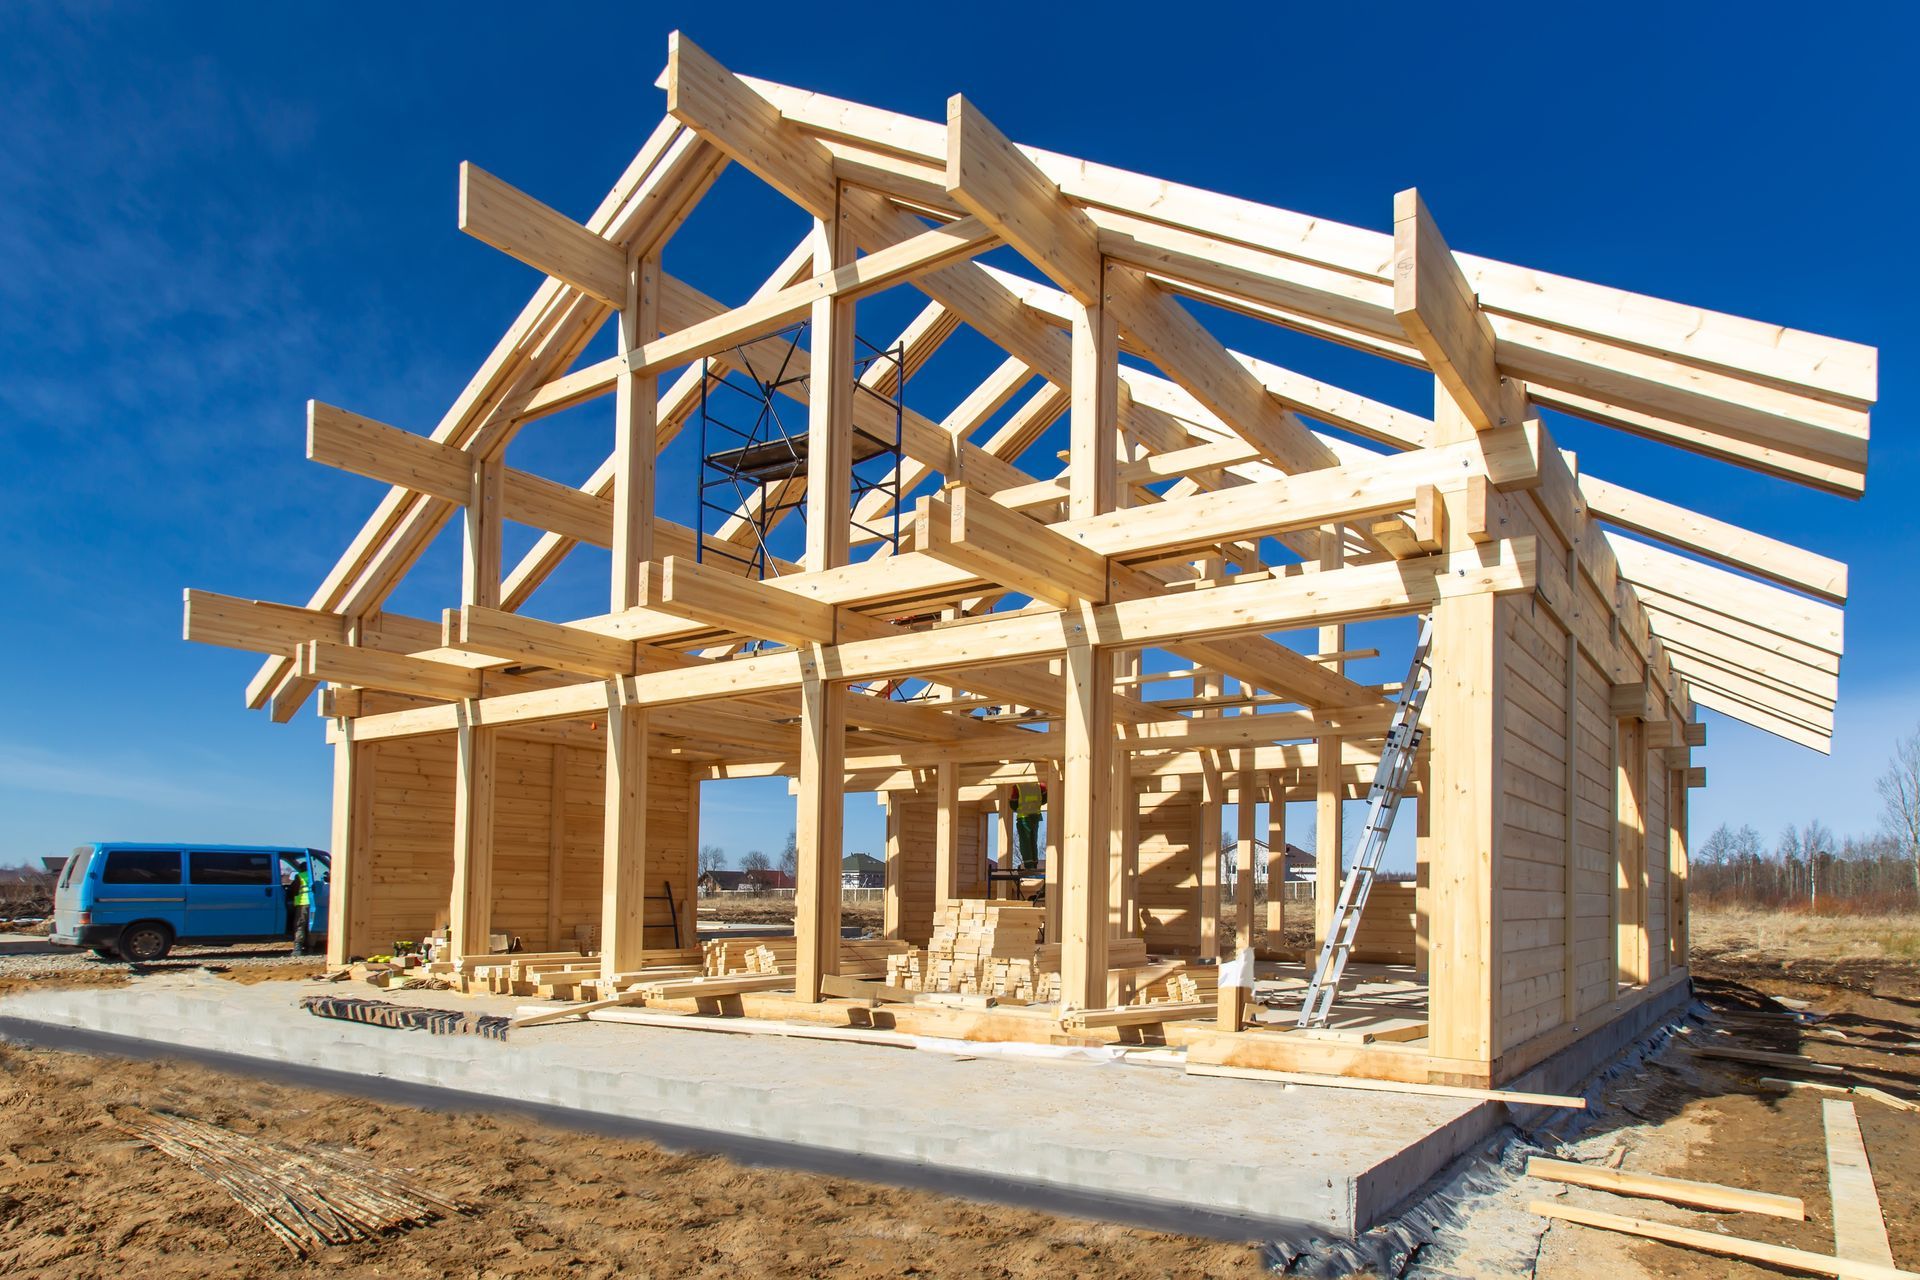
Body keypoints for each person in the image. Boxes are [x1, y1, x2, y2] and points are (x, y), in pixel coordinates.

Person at [1011, 780, 1046, 870]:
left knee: (1025, 842)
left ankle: (1029, 866)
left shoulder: (1018, 787)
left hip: (1023, 818)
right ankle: (1034, 864)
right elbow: (1045, 799)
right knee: (1033, 841)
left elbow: (1013, 805)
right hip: (1035, 817)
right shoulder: (1039, 785)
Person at [287, 862, 312, 955]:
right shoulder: (312, 876)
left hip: (303, 903)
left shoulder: (300, 876)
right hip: (313, 903)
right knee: (310, 926)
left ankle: (297, 949)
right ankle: (311, 948)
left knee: (299, 925)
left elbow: (293, 890)